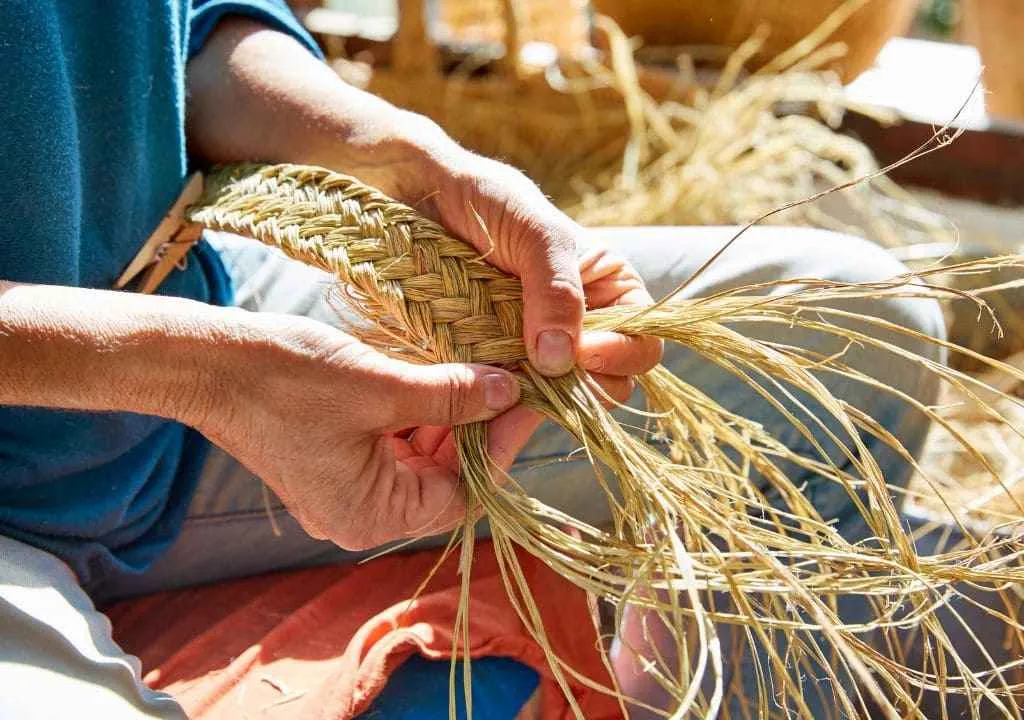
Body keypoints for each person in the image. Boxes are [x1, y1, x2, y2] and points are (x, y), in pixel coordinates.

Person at [0, 2, 969, 718]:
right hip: (93, 411)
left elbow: (183, 35)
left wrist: (400, 154)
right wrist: (198, 372)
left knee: (846, 324)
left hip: (168, 311)